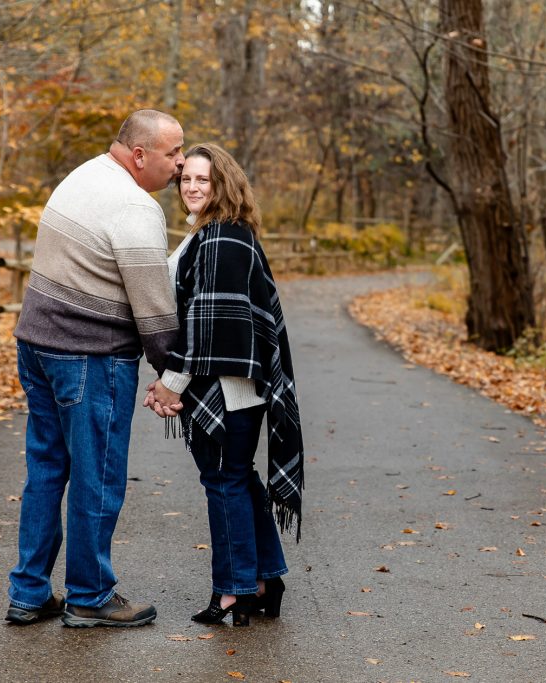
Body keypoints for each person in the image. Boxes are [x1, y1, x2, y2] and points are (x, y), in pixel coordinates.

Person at [6, 109, 185, 628]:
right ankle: (89, 595)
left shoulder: (82, 175)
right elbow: (154, 311)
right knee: (97, 477)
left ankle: (29, 592)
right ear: (139, 155)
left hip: (36, 344)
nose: (178, 165)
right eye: (173, 154)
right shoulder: (135, 206)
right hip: (89, 354)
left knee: (46, 470)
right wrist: (172, 377)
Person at [145, 143, 305, 627]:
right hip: (232, 388)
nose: (191, 187)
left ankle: (234, 590)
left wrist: (171, 384)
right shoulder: (220, 233)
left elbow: (206, 325)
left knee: (224, 481)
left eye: (203, 180)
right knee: (237, 478)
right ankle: (263, 578)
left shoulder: (220, 238)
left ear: (224, 185)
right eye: (186, 179)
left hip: (224, 390)